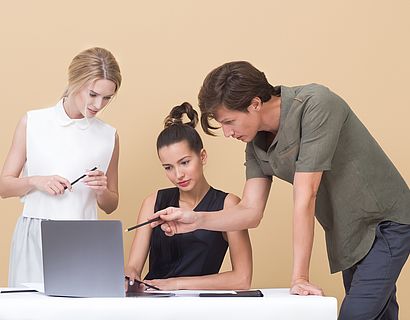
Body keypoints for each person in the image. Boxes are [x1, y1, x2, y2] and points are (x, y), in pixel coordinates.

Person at [151, 61, 410, 319]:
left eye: (230, 121)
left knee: (356, 315)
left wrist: (299, 278)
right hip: (349, 235)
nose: (228, 133)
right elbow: (250, 212)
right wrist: (195, 219)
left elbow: (306, 193)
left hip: (385, 222)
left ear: (254, 104)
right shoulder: (255, 142)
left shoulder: (316, 104)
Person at [0, 47, 122, 287]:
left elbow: (111, 204)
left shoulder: (109, 136)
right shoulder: (33, 122)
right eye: (93, 94)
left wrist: (101, 190)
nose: (99, 104)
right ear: (75, 82)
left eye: (107, 97)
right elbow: (3, 187)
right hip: (35, 233)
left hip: (84, 238)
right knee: (29, 311)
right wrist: (36, 181)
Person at [125, 102, 252, 291]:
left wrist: (175, 284)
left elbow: (242, 279)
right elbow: (133, 267)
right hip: (153, 304)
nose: (178, 175)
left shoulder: (228, 205)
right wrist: (129, 278)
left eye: (184, 162)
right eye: (168, 167)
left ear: (202, 157)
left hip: (198, 307)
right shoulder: (153, 202)